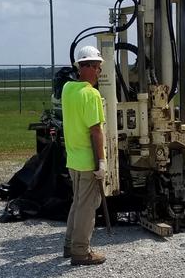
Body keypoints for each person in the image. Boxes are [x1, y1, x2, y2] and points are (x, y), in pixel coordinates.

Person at [61, 45, 108, 265]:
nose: (99, 72)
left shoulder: (67, 89)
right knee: (87, 207)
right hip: (88, 160)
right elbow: (96, 130)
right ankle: (81, 252)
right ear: (86, 67)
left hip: (73, 159)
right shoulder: (91, 94)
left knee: (77, 203)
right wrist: (101, 161)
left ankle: (70, 245)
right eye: (97, 67)